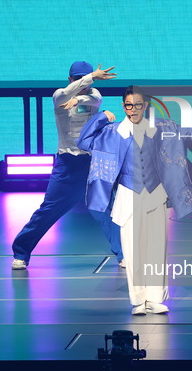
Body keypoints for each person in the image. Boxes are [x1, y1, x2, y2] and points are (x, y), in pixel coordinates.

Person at [78, 85, 192, 314]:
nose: (133, 109)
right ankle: (139, 301)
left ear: (145, 106)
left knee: (156, 250)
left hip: (155, 193)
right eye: (129, 105)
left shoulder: (162, 128)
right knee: (132, 251)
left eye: (138, 105)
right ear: (123, 107)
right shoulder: (112, 133)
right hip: (128, 195)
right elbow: (83, 142)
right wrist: (100, 117)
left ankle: (155, 297)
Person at [11, 61, 123, 269]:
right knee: (48, 209)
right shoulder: (59, 96)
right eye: (78, 79)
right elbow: (63, 96)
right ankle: (21, 252)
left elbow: (94, 98)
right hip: (67, 164)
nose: (83, 84)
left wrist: (79, 97)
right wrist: (85, 81)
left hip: (91, 162)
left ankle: (122, 254)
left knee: (107, 208)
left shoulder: (94, 95)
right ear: (70, 79)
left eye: (86, 79)